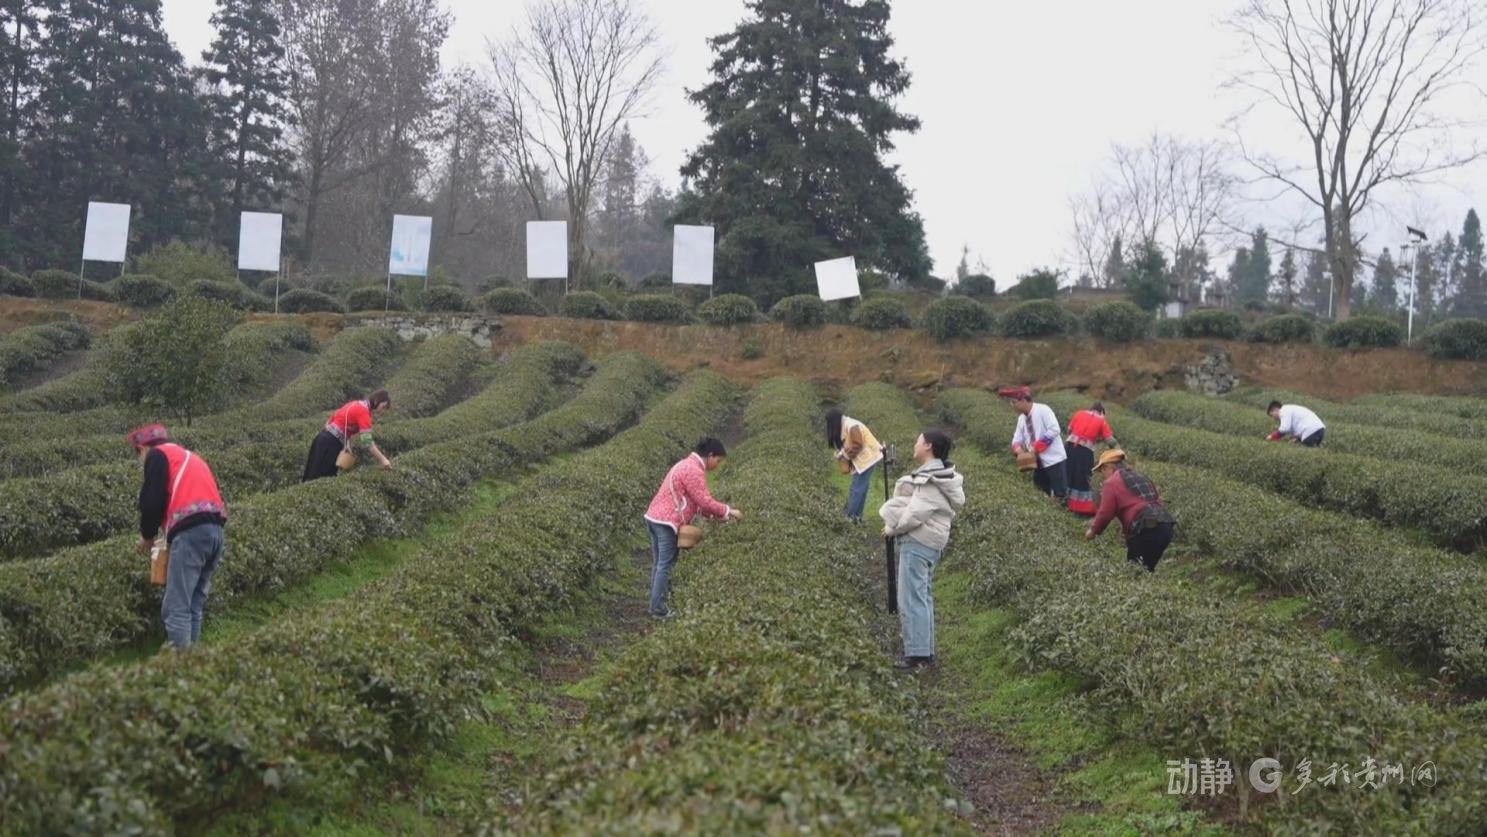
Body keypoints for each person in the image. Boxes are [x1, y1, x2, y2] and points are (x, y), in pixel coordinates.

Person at [130, 424, 228, 649]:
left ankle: (181, 666)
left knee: (176, 608)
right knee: (193, 603)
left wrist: (147, 537)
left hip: (191, 533)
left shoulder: (157, 455)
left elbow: (151, 501)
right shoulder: (189, 456)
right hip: (215, 531)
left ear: (142, 449)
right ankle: (194, 660)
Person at [880, 430, 964, 670]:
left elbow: (914, 514)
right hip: (931, 542)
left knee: (911, 598)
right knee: (922, 596)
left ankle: (917, 655)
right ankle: (925, 651)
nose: (914, 445)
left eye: (918, 441)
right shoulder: (940, 476)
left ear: (928, 446)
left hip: (919, 542)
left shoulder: (930, 479)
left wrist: (892, 528)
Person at [642, 438, 743, 618]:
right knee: (665, 565)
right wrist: (729, 510)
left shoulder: (686, 464)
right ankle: (659, 609)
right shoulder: (693, 470)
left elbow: (697, 504)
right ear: (710, 455)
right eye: (718, 460)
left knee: (660, 564)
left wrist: (719, 516)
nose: (717, 465)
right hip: (666, 521)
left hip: (655, 518)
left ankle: (657, 603)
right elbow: (705, 501)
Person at [1085, 449, 1176, 573]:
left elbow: (1105, 513)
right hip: (1165, 526)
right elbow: (1158, 500)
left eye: (1102, 471)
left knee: (1134, 572)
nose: (1103, 475)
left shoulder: (1111, 483)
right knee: (1146, 569)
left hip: (1145, 528)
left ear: (1108, 467)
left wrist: (1093, 531)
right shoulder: (1141, 476)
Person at [303, 390, 393, 481]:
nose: (382, 410)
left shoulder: (356, 403)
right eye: (383, 406)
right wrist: (383, 459)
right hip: (331, 444)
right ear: (377, 400)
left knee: (311, 474)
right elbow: (367, 442)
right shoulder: (364, 412)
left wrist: (346, 442)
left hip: (321, 438)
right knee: (322, 478)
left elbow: (331, 420)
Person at [1002, 386, 1069, 503]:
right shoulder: (1021, 419)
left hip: (1054, 460)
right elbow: (1016, 439)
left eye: (1014, 402)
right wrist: (1019, 450)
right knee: (1040, 493)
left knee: (1060, 493)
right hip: (1037, 462)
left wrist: (1037, 448)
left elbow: (1054, 429)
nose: (1012, 406)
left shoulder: (1043, 410)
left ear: (1023, 400)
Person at [825, 408, 885, 524]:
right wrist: (842, 453)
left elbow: (857, 444)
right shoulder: (847, 425)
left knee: (857, 488)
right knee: (861, 488)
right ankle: (857, 516)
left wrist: (845, 456)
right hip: (866, 458)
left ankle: (850, 517)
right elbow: (850, 444)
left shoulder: (851, 426)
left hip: (868, 458)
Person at [1065, 402, 1117, 517]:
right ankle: (1079, 508)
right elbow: (1110, 440)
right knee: (1082, 478)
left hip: (1069, 447)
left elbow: (1069, 430)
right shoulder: (1101, 421)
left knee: (1067, 472)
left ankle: (1063, 500)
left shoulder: (1079, 413)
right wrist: (1118, 450)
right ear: (1102, 413)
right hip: (1085, 451)